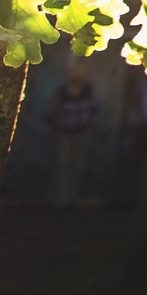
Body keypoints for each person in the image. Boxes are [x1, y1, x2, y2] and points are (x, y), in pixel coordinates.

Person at [44, 66, 99, 208]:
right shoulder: (62, 92)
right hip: (63, 131)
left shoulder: (88, 91)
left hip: (82, 131)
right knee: (63, 164)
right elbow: (50, 111)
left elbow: (94, 107)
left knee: (77, 165)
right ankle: (58, 200)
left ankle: (70, 199)